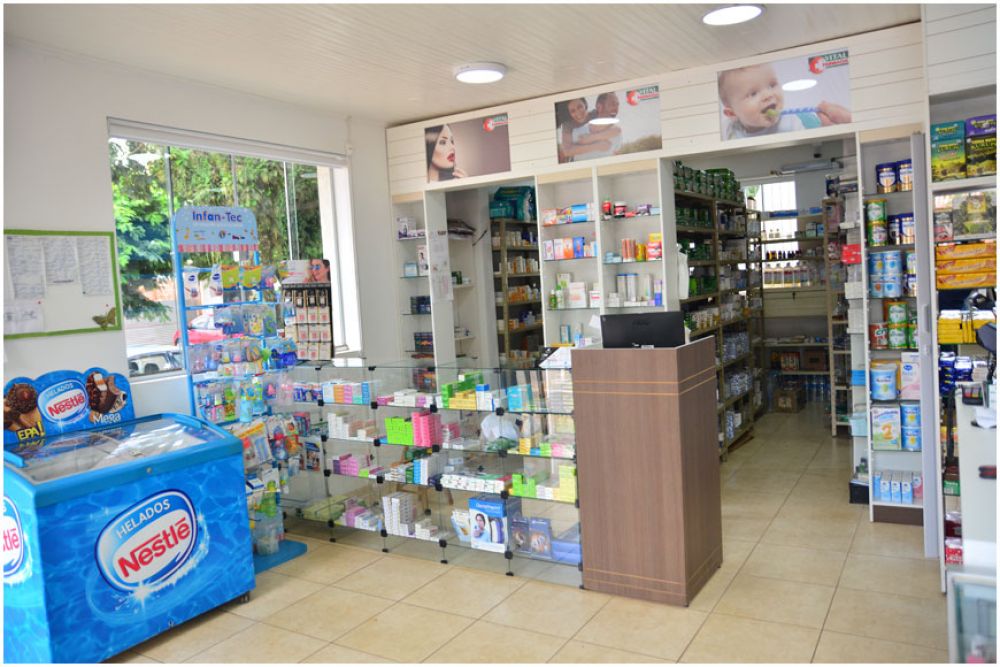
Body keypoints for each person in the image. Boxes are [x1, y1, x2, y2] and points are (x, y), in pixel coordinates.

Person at [557, 97, 620, 163]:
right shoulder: (568, 125)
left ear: (585, 105)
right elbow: (567, 151)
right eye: (573, 111)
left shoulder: (595, 114)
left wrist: (590, 138)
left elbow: (616, 130)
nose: (578, 112)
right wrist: (597, 146)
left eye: (580, 107)